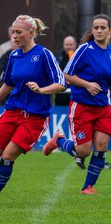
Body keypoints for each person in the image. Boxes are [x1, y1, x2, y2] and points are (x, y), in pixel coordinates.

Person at [0, 15, 66, 206]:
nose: (14, 36)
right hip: (12, 112)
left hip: (35, 116)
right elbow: (8, 83)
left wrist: (42, 90)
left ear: (31, 32)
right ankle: (3, 161)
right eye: (13, 33)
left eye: (18, 32)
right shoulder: (14, 55)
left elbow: (61, 83)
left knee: (8, 155)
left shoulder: (44, 54)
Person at [43, 14, 111, 194]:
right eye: (95, 27)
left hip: (103, 106)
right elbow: (65, 74)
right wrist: (87, 84)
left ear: (109, 31)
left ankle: (88, 187)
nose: (98, 30)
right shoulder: (84, 49)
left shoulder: (110, 53)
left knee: (102, 146)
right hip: (82, 105)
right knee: (83, 151)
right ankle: (59, 141)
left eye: (102, 27)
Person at [54, 36, 77, 106]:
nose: (68, 47)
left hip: (75, 92)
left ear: (75, 45)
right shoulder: (59, 57)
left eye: (71, 44)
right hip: (61, 93)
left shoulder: (79, 57)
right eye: (66, 45)